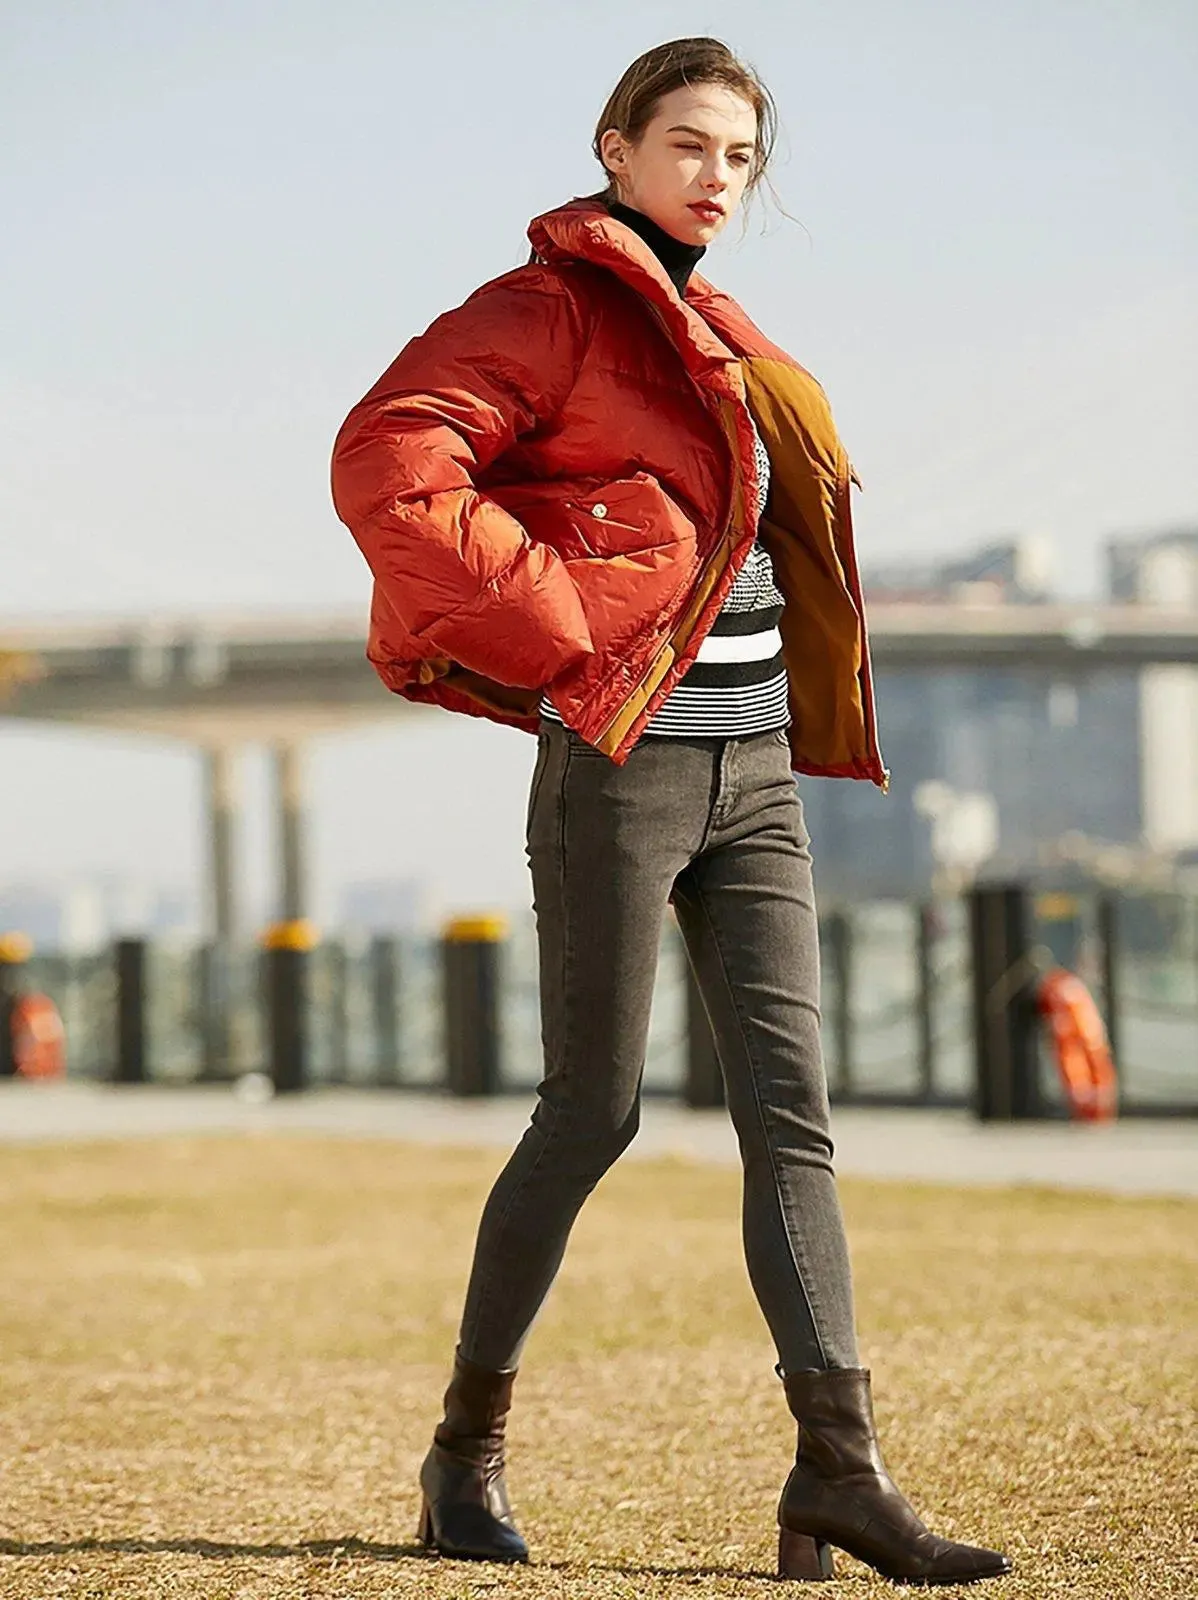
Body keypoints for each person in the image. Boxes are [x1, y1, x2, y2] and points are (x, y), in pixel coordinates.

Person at [330, 35, 1011, 1587]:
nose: (718, 177)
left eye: (741, 159)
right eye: (690, 145)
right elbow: (388, 458)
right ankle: (462, 1454)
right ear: (615, 147)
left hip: (754, 769)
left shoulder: (714, 325)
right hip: (622, 768)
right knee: (594, 1111)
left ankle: (838, 1472)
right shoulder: (546, 313)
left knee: (793, 1119)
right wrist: (558, 626)